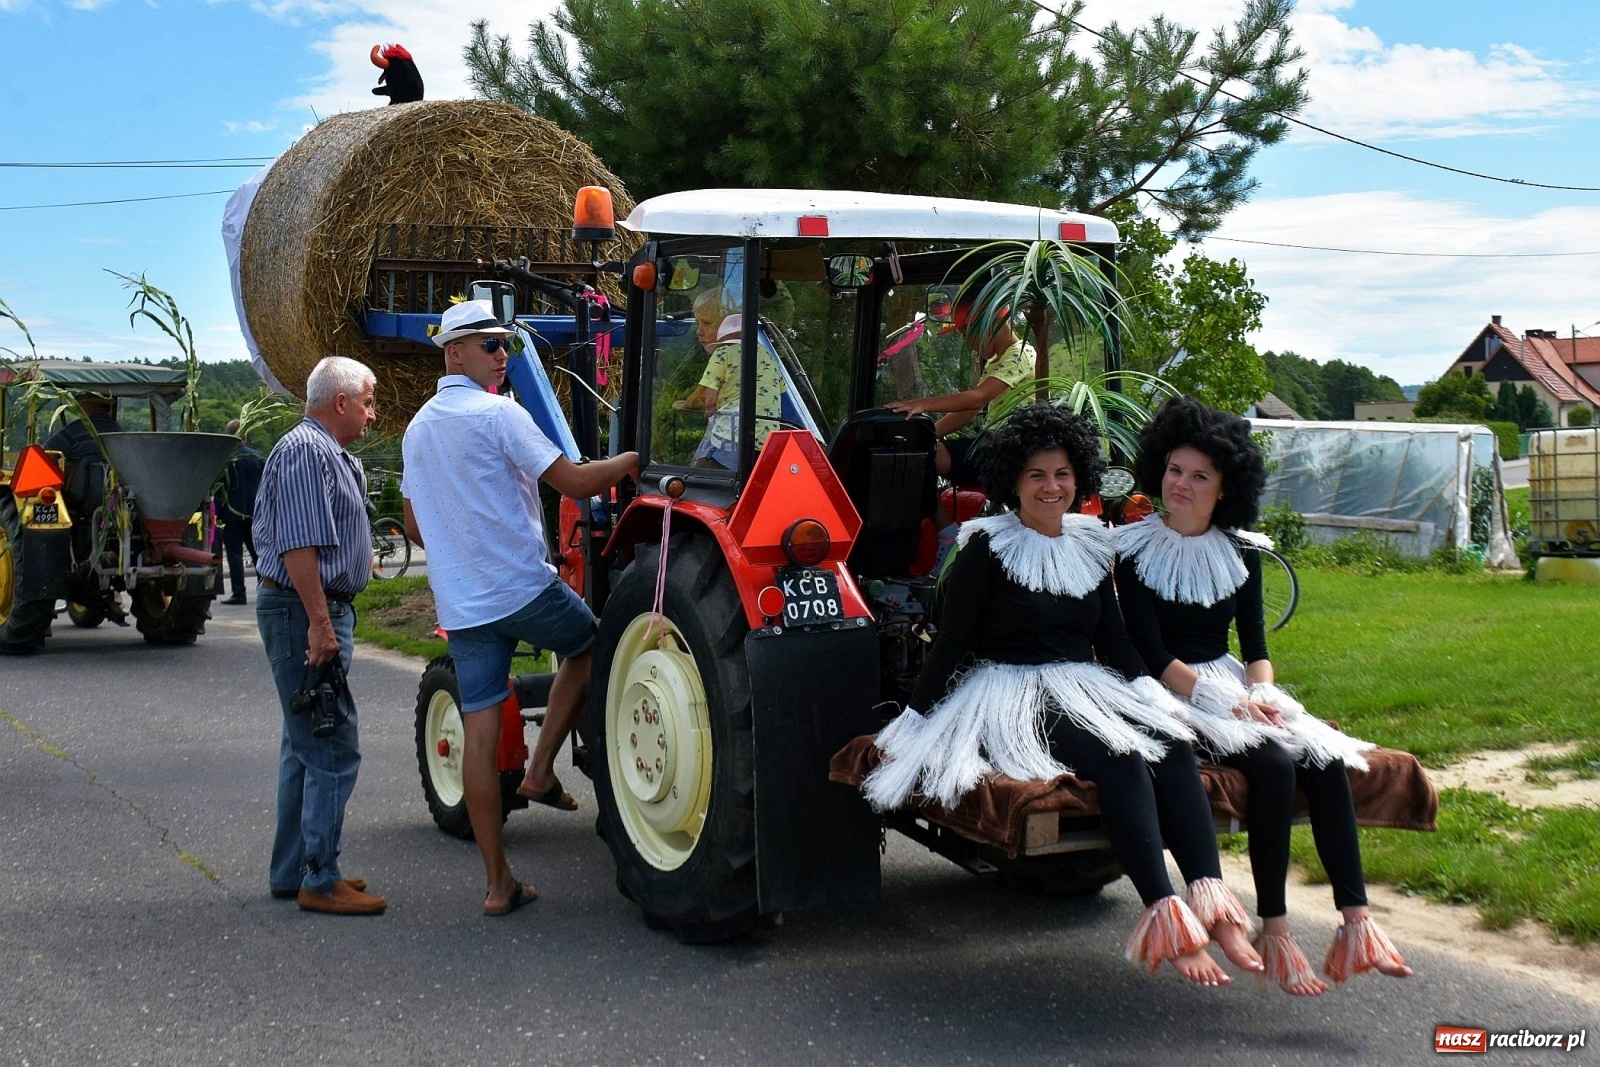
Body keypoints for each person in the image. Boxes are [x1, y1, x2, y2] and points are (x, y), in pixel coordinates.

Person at [863, 403, 1264, 986]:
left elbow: (1113, 639)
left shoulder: (1091, 543)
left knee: (1172, 743)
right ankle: (1165, 916)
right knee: (1123, 759)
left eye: (1062, 475)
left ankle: (1211, 900)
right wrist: (914, 722)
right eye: (1036, 476)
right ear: (1013, 484)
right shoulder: (986, 547)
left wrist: (1150, 693)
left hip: (1086, 681)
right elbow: (951, 647)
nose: (1051, 487)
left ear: (1079, 479)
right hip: (1011, 692)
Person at [1114, 396, 1412, 994]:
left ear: (1225, 488)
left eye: (1200, 476)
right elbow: (1149, 652)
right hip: (1162, 688)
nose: (1182, 484)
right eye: (1175, 470)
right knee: (1275, 763)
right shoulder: (1131, 547)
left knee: (1322, 757)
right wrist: (1229, 704)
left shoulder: (1243, 550)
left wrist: (1262, 693)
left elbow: (1255, 646)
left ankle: (1357, 923)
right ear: (1159, 469)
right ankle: (1273, 926)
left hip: (1226, 678)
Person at [401, 299, 638, 918]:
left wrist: (461, 554)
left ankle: (498, 883)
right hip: (520, 588)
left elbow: (412, 523)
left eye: (505, 344)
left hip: (465, 603)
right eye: (490, 345)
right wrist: (634, 463)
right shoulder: (499, 414)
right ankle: (538, 770)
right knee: (590, 645)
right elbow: (580, 485)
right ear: (455, 353)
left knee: (479, 739)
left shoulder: (417, 428)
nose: (503, 355)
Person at [253, 356, 385, 916]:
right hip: (305, 610)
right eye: (369, 402)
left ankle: (295, 870)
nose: (373, 415)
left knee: (302, 743)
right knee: (332, 744)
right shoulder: (308, 452)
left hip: (308, 609)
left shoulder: (324, 453)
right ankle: (320, 879)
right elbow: (299, 548)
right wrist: (321, 625)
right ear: (341, 403)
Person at [884, 298, 1035, 558]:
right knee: (913, 457)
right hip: (989, 444)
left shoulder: (1021, 353)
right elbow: (971, 411)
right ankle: (939, 536)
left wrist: (921, 404)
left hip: (1009, 450)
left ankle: (947, 536)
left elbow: (977, 398)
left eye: (967, 333)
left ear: (990, 324)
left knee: (923, 458)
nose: (967, 342)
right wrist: (926, 434)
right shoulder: (995, 362)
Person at [674, 310, 787, 469]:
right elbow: (779, 391)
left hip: (733, 435)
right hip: (766, 441)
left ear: (722, 337)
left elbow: (708, 400)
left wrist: (684, 405)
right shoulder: (767, 355)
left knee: (701, 471)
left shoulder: (723, 353)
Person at [216, 418, 265, 605]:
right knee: (258, 553)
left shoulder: (226, 460)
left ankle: (239, 593)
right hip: (255, 513)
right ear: (245, 436)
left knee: (234, 555)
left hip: (232, 514)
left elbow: (220, 490)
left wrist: (219, 514)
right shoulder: (258, 458)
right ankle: (265, 590)